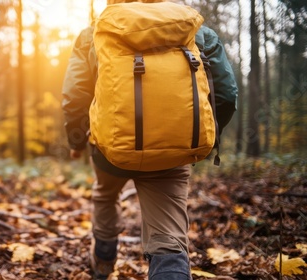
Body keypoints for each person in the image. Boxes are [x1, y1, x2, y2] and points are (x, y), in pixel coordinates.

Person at [61, 0, 238, 279]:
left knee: (105, 196)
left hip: (109, 150)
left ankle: (104, 261)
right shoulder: (197, 32)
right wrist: (204, 134)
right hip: (173, 152)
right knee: (168, 235)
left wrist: (76, 142)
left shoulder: (93, 33)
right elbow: (226, 95)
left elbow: (74, 97)